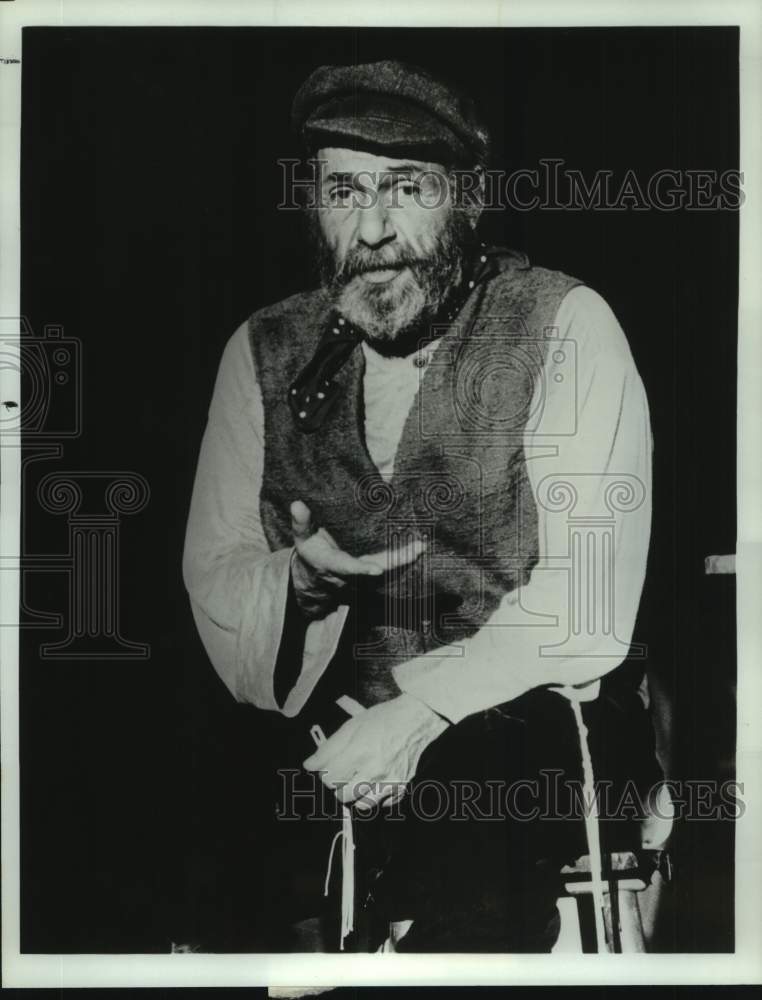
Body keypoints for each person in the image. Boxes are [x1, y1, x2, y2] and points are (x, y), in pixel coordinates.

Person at [183, 59, 662, 952]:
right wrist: (303, 584)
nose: (371, 228)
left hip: (537, 722)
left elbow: (590, 598)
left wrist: (422, 714)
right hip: (338, 735)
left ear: (467, 200)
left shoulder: (562, 324)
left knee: (478, 794)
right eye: (343, 190)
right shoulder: (261, 350)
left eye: (406, 188)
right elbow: (214, 569)